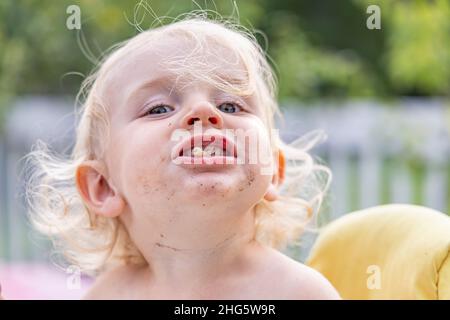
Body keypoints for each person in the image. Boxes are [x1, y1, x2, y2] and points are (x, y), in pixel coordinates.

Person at [20, 14, 340, 299]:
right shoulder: (109, 295)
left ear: (274, 169)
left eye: (230, 105)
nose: (203, 111)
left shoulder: (297, 292)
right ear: (103, 186)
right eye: (159, 109)